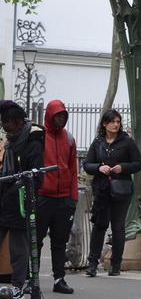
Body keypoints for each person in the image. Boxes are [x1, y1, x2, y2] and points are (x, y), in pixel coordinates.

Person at [83, 109, 141, 277]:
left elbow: (139, 163)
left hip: (121, 189)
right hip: (102, 190)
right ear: (105, 124)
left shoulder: (127, 142)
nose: (116, 124)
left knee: (118, 227)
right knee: (99, 226)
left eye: (118, 121)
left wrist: (123, 167)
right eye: (112, 122)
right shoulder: (98, 142)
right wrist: (98, 167)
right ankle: (92, 264)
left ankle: (116, 265)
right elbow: (87, 164)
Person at [0, 101, 44, 299]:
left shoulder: (32, 143)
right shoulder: (10, 143)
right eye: (2, 122)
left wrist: (14, 189)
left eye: (7, 122)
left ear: (18, 122)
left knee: (19, 249)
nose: (4, 127)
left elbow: (36, 177)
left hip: (20, 204)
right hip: (3, 202)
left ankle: (18, 285)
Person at [36, 100, 78, 294]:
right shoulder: (38, 137)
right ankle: (32, 279)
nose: (61, 119)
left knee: (59, 242)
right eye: (57, 115)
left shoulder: (69, 138)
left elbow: (73, 169)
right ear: (49, 116)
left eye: (63, 115)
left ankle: (59, 279)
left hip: (64, 200)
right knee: (36, 240)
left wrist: (73, 198)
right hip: (43, 197)